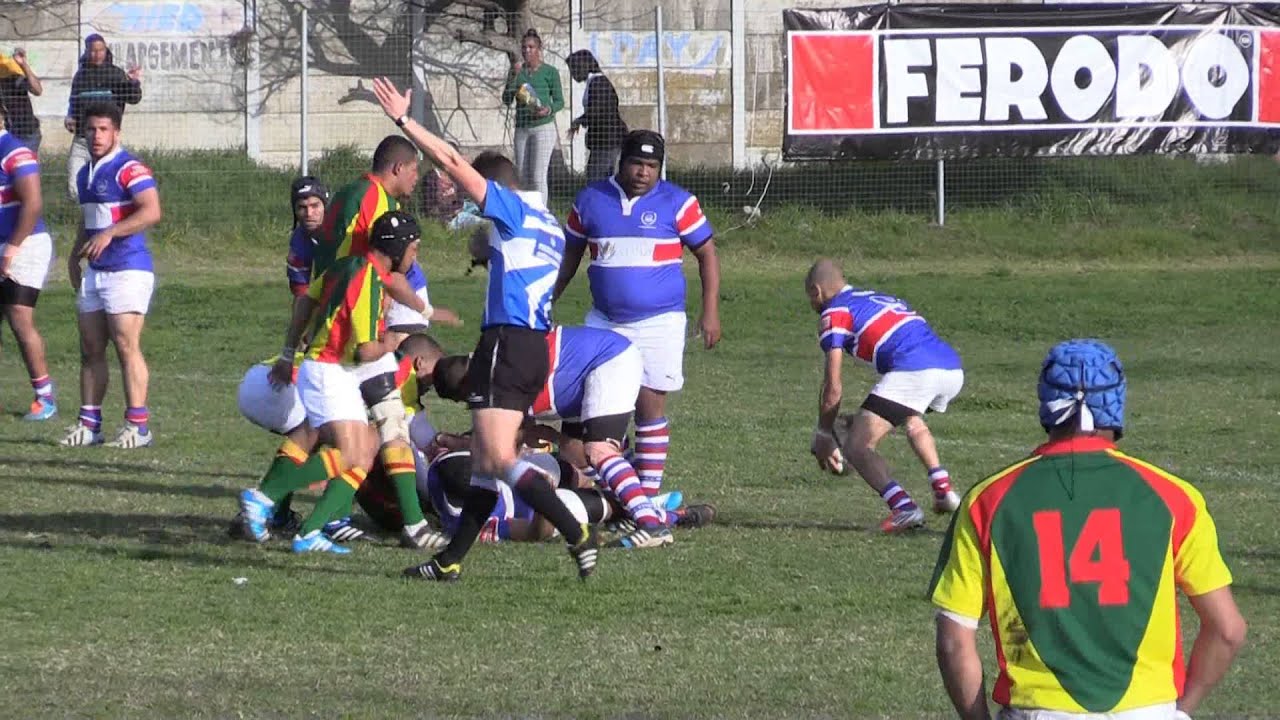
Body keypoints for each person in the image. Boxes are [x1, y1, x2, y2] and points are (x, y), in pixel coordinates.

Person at [929, 339, 1247, 720]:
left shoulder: (988, 499)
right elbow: (1227, 630)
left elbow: (953, 641)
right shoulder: (1175, 497)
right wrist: (1181, 710)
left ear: (1046, 404)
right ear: (1116, 403)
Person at [370, 76, 599, 582]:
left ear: (495, 189)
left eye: (480, 196)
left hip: (506, 340)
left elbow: (451, 161)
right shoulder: (550, 228)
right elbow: (505, 256)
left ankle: (573, 529)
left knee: (496, 458)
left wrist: (405, 121)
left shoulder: (510, 209)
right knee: (480, 465)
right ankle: (450, 561)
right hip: (535, 346)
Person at [554, 129, 722, 504]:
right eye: (636, 163)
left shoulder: (679, 203)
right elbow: (570, 256)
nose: (644, 172)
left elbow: (707, 254)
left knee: (649, 405)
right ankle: (620, 483)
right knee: (592, 408)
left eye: (652, 166)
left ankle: (645, 495)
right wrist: (548, 298)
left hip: (660, 322)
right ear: (621, 162)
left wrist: (710, 311)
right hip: (604, 322)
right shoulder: (590, 200)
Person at [240, 210, 422, 553]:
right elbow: (367, 349)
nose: (415, 256)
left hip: (333, 371)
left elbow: (306, 301)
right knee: (350, 453)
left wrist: (288, 349)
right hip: (327, 372)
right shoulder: (369, 278)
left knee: (365, 451)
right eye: (414, 248)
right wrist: (392, 344)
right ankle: (262, 497)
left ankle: (309, 532)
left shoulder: (345, 265)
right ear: (398, 248)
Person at [430, 325, 685, 549]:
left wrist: (455, 442)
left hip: (603, 361)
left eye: (464, 400)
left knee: (599, 450)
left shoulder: (493, 379)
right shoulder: (492, 357)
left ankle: (650, 524)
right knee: (577, 453)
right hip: (589, 366)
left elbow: (503, 444)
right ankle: (659, 513)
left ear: (465, 388)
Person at [233, 331, 445, 548]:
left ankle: (278, 514)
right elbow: (411, 431)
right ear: (420, 362)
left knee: (329, 442)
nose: (432, 384)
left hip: (264, 378)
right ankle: (272, 503)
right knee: (361, 445)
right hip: (296, 385)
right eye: (434, 371)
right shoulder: (403, 371)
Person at [805, 258, 963, 532]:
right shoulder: (876, 297)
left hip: (915, 371)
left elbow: (833, 386)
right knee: (910, 418)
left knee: (857, 445)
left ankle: (904, 508)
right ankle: (943, 489)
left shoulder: (834, 313)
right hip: (951, 369)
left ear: (816, 292)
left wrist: (824, 434)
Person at [62, 103, 161, 449]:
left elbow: (152, 210)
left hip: (128, 269)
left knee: (125, 345)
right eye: (90, 129)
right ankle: (90, 425)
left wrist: (110, 233)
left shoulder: (130, 168)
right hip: (96, 272)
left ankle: (139, 426)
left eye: (103, 129)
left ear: (116, 132)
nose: (96, 135)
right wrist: (75, 254)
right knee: (89, 348)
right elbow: (88, 220)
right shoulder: (84, 172)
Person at [0, 104, 56, 420]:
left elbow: (33, 204)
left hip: (25, 245)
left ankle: (44, 398)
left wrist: (11, 248)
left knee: (19, 317)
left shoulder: (15, 151)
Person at [65, 34, 142, 201]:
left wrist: (134, 83)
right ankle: (80, 215)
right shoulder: (80, 76)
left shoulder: (115, 74)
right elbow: (73, 101)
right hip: (82, 141)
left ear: (106, 51)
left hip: (106, 141)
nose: (97, 54)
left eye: (100, 50)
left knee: (105, 184)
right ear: (87, 52)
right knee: (74, 185)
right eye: (93, 51)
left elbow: (133, 98)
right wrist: (70, 117)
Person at [501, 29, 564, 203]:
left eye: (531, 47)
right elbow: (506, 99)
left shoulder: (550, 72)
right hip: (522, 127)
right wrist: (513, 76)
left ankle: (541, 212)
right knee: (522, 174)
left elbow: (559, 101)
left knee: (537, 176)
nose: (527, 51)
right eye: (524, 47)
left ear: (539, 49)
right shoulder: (517, 72)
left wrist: (548, 109)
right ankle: (525, 209)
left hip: (543, 127)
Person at [566, 50, 626, 182]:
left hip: (607, 140)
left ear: (582, 66)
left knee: (597, 180)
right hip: (603, 140)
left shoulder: (598, 83)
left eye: (573, 69)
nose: (572, 74)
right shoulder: (595, 82)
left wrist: (580, 120)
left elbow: (598, 109)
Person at [286, 175, 329, 297]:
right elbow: (300, 291)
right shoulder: (299, 240)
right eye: (302, 207)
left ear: (325, 207)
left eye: (315, 206)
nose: (309, 214)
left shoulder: (345, 231)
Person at [0, 48, 45, 150]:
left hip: (27, 133)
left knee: (25, 164)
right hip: (8, 134)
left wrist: (23, 65)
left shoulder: (16, 78)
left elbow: (37, 90)